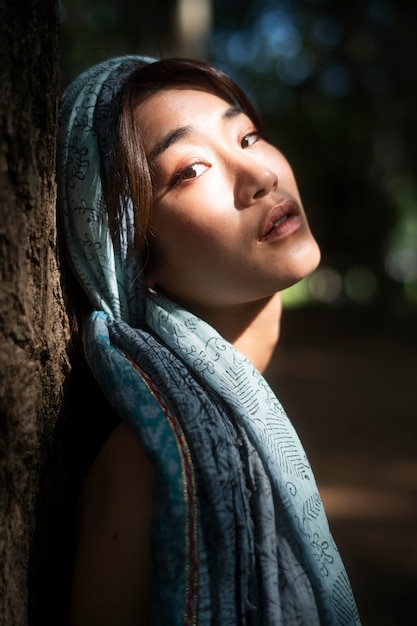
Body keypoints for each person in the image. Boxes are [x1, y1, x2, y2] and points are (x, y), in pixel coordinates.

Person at [57, 55, 361, 626]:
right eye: (190, 170)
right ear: (129, 254)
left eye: (247, 136)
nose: (261, 177)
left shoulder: (234, 402)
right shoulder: (150, 461)